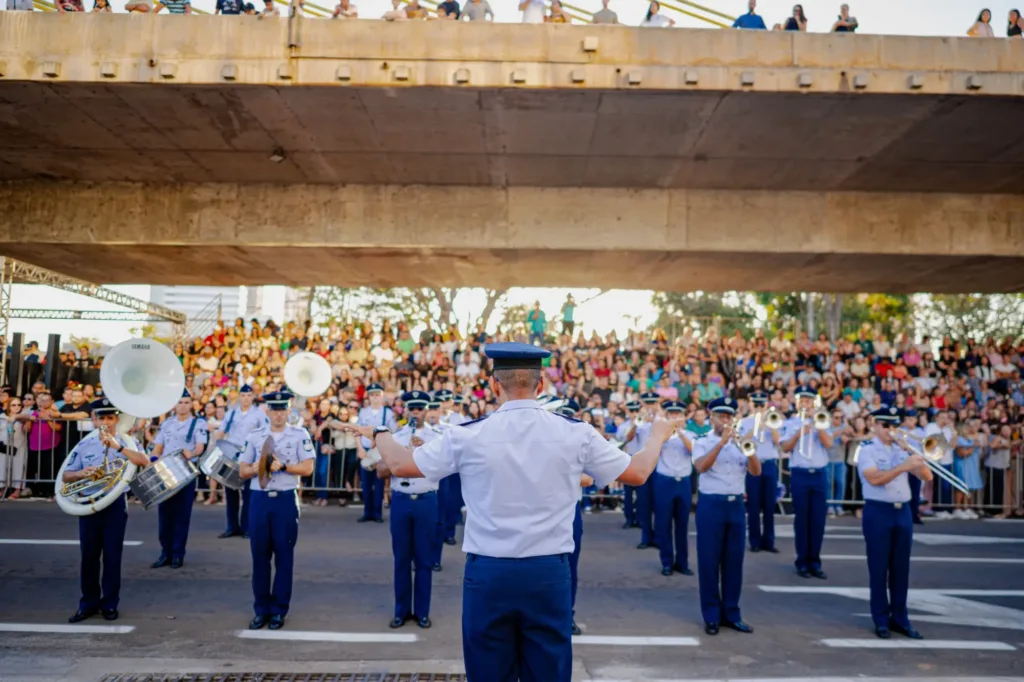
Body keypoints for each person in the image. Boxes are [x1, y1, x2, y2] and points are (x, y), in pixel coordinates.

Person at [345, 342, 677, 682]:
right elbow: (637, 473)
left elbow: (400, 464)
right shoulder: (574, 432)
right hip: (548, 572)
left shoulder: (467, 435)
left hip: (489, 572)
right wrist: (657, 437)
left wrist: (381, 433)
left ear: (493, 385)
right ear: (541, 384)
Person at [63, 398, 150, 623]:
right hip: (89, 503)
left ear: (116, 420)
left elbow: (144, 460)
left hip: (113, 504)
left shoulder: (126, 441)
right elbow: (66, 474)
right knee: (89, 557)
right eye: (101, 417)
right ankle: (88, 603)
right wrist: (81, 474)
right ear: (94, 420)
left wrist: (117, 447)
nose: (105, 422)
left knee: (112, 557)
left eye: (109, 418)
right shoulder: (84, 445)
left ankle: (110, 603)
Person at [239, 390, 315, 631]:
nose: (279, 414)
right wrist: (260, 466)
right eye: (275, 409)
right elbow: (242, 471)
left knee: (284, 557)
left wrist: (284, 466)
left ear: (289, 411)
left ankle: (279, 610)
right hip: (260, 500)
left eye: (283, 409)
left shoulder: (299, 434)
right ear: (267, 411)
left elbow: (307, 468)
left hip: (284, 499)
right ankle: (261, 609)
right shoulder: (255, 437)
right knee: (260, 557)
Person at [856, 406, 931, 640]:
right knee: (879, 568)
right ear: (875, 425)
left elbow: (927, 476)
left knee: (901, 568)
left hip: (903, 512)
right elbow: (874, 478)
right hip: (878, 511)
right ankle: (880, 619)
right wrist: (903, 467)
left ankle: (900, 618)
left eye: (894, 426)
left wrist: (914, 456)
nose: (891, 430)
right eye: (886, 425)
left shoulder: (904, 448)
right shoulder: (867, 449)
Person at [692, 397, 761, 635]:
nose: (725, 420)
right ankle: (711, 615)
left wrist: (749, 449)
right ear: (711, 418)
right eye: (721, 416)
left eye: (728, 416)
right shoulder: (702, 441)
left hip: (735, 506)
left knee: (734, 562)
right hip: (711, 504)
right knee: (709, 562)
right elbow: (700, 466)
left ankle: (732, 613)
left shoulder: (740, 442)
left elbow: (756, 471)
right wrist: (721, 444)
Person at [383, 391, 442, 629]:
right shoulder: (396, 436)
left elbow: (445, 468)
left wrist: (425, 450)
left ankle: (423, 612)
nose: (416, 413)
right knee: (401, 559)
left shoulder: (437, 437)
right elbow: (381, 469)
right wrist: (400, 455)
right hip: (402, 498)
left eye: (420, 409)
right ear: (406, 410)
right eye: (412, 409)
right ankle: (402, 610)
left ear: (427, 411)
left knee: (424, 559)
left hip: (426, 499)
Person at [150, 390, 208, 569]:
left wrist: (192, 453)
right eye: (180, 402)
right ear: (174, 405)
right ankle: (165, 552)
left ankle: (177, 553)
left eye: (186, 402)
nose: (182, 405)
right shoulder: (167, 423)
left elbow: (200, 447)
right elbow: (158, 447)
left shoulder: (198, 423)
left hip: (185, 472)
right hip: (166, 472)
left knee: (181, 515)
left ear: (191, 404)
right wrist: (153, 459)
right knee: (164, 514)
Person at [781, 387, 834, 579]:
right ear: (797, 402)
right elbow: (785, 446)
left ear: (813, 403)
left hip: (819, 474)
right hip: (800, 473)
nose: (806, 403)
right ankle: (802, 562)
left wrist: (818, 427)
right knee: (802, 519)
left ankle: (815, 562)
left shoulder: (823, 421)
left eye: (809, 400)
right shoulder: (790, 423)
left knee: (818, 521)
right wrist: (798, 434)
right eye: (802, 400)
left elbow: (829, 444)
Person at [210, 385, 269, 539]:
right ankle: (232, 526)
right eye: (243, 395)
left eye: (249, 395)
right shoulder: (231, 413)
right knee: (230, 492)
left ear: (252, 397)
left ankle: (247, 527)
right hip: (231, 455)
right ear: (239, 397)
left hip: (249, 456)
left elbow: (264, 434)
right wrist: (218, 444)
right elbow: (222, 431)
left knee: (248, 494)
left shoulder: (258, 414)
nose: (246, 398)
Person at [554, 399, 586, 636]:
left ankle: (568, 615)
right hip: (550, 509)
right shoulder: (548, 443)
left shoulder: (580, 441)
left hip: (570, 508)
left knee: (570, 567)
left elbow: (588, 479)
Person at [652, 400, 694, 576]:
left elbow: (693, 450)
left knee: (682, 525)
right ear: (667, 415)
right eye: (672, 414)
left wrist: (681, 432)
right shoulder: (660, 434)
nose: (675, 416)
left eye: (678, 414)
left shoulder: (690, 434)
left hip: (683, 481)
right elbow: (654, 449)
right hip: (665, 480)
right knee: (664, 523)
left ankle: (682, 562)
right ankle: (667, 562)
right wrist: (667, 430)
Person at [742, 393, 781, 552]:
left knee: (769, 506)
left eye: (761, 404)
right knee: (754, 505)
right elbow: (742, 441)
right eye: (755, 404)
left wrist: (769, 426)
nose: (758, 407)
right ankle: (755, 542)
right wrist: (755, 427)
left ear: (766, 405)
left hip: (769, 464)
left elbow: (778, 441)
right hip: (753, 463)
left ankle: (769, 542)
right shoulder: (745, 422)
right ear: (751, 405)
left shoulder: (773, 420)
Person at [357, 383, 397, 523]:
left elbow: (393, 431)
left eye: (378, 395)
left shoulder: (388, 412)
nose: (375, 398)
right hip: (367, 451)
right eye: (373, 395)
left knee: (379, 483)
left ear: (382, 396)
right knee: (366, 484)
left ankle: (377, 513)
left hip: (380, 451)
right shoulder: (363, 412)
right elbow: (358, 431)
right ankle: (367, 512)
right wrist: (360, 448)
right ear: (369, 396)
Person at [630, 392, 662, 549]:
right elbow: (628, 438)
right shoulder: (640, 421)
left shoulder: (661, 420)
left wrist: (656, 419)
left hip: (658, 466)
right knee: (644, 503)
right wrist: (636, 423)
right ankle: (646, 537)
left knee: (659, 503)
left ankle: (658, 537)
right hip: (643, 467)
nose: (650, 406)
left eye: (652, 403)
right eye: (647, 403)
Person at [616, 400, 642, 529]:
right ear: (627, 412)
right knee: (628, 493)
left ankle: (640, 518)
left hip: (641, 459)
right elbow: (623, 440)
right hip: (628, 459)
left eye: (636, 411)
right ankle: (629, 519)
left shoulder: (645, 425)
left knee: (642, 493)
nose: (634, 414)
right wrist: (634, 426)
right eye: (632, 411)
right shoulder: (623, 426)